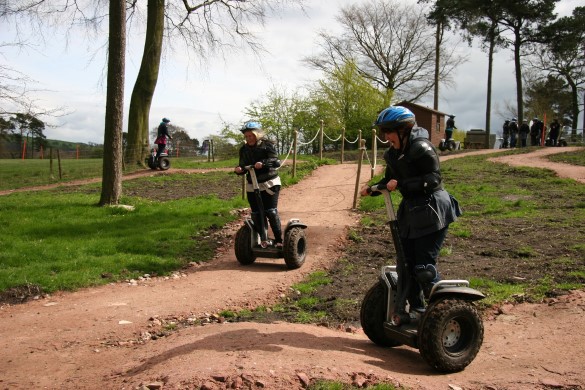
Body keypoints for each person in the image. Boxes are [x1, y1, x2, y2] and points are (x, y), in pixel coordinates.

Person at [360, 106, 462, 311]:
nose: (386, 136)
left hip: (433, 210)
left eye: (388, 131)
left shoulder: (421, 147)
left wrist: (402, 185)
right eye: (384, 132)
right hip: (411, 213)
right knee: (405, 266)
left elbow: (433, 180)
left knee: (423, 267)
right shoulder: (393, 154)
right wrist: (371, 189)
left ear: (403, 130)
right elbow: (390, 179)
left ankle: (440, 313)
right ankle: (416, 310)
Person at [234, 121, 283, 247]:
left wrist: (263, 163)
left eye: (251, 136)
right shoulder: (244, 149)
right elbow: (242, 165)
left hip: (269, 183)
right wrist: (239, 169)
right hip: (253, 185)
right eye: (247, 136)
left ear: (257, 135)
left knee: (270, 211)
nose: (249, 138)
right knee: (256, 213)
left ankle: (279, 240)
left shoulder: (267, 145)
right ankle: (263, 239)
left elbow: (276, 161)